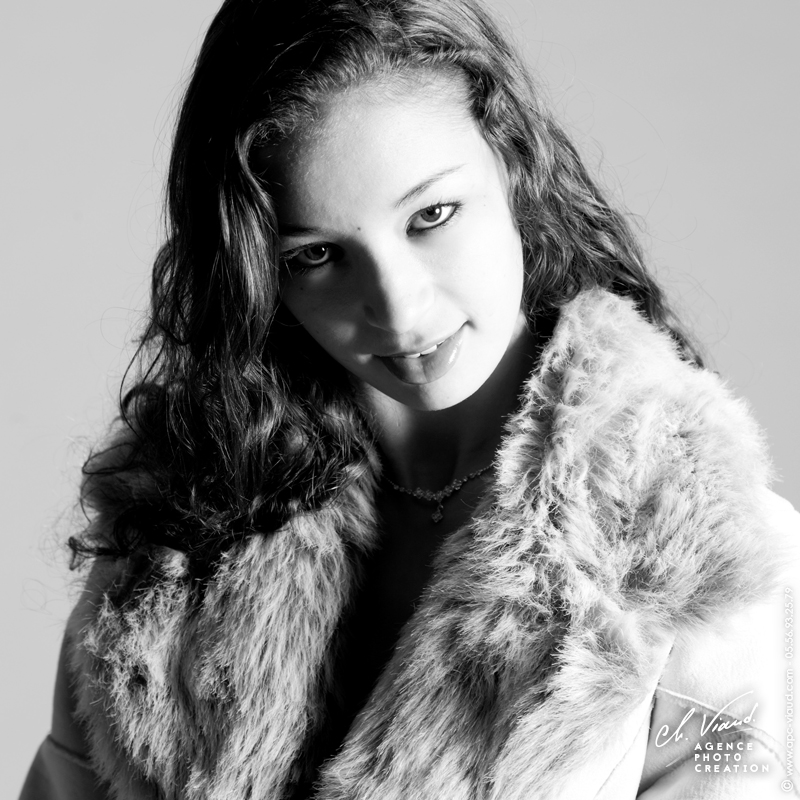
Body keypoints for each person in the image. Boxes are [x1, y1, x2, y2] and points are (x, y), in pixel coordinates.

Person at [20, 0, 799, 797]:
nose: (396, 309)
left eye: (432, 215)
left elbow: (735, 777)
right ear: (258, 276)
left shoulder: (701, 547)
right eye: (317, 255)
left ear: (514, 167)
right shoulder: (178, 529)